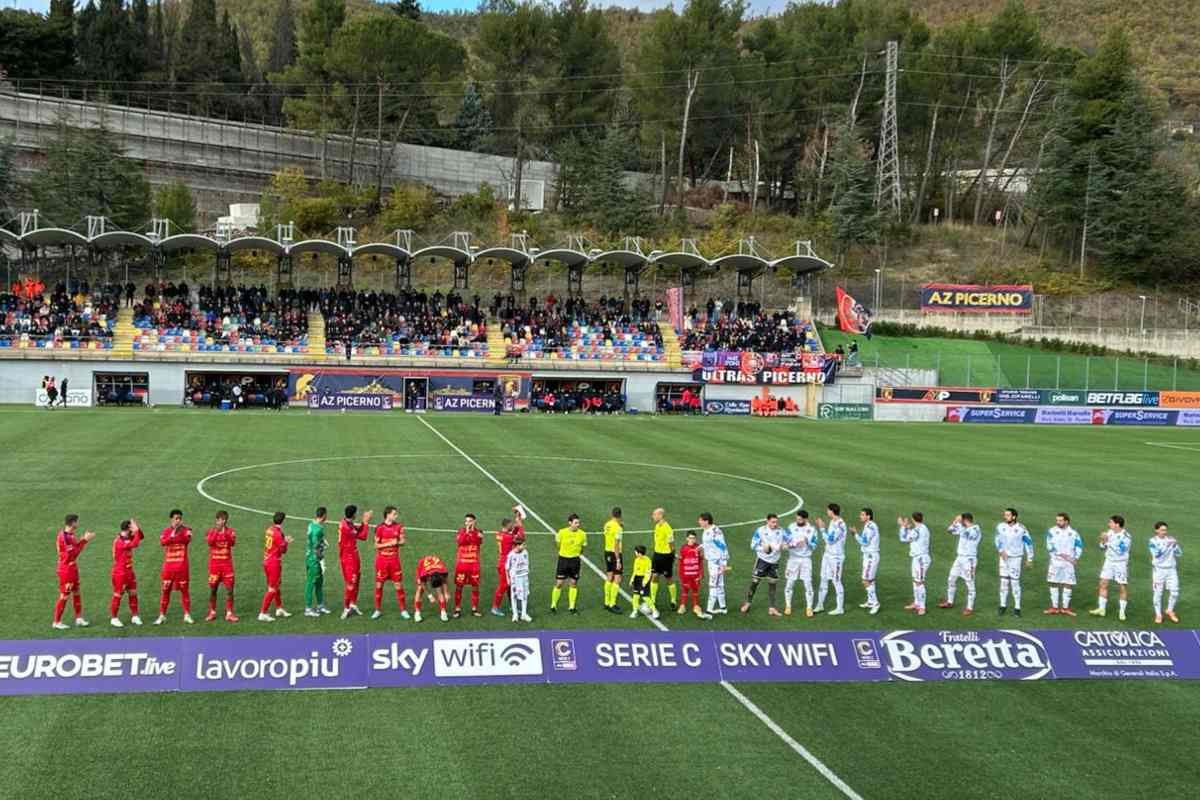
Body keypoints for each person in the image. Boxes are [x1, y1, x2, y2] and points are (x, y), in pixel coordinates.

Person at [53, 514, 96, 629]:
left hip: (72, 568)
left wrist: (83, 539)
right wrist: (85, 541)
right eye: (76, 522)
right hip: (66, 570)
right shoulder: (64, 537)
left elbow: (75, 548)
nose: (78, 524)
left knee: (76, 592)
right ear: (72, 523)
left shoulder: (69, 535)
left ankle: (78, 618)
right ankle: (56, 622)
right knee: (64, 596)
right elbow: (73, 554)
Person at [1090, 515, 1133, 621]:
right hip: (1108, 562)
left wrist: (1107, 542)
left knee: (1122, 586)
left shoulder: (1126, 536)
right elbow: (1102, 547)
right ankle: (1101, 609)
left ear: (1117, 524)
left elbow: (1120, 551)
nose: (1109, 524)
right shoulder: (1109, 532)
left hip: (1120, 563)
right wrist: (1103, 540)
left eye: (1111, 522)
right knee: (1103, 583)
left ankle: (1122, 612)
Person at [156, 509, 194, 625]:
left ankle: (187, 615)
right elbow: (163, 542)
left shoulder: (186, 531)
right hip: (169, 567)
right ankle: (162, 615)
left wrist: (179, 531)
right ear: (171, 519)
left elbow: (186, 540)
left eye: (180, 518)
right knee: (165, 590)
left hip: (182, 567)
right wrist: (173, 534)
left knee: (184, 591)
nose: (178, 520)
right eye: (176, 518)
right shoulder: (166, 531)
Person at [741, 513, 784, 615]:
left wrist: (786, 545)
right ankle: (748, 603)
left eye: (776, 522)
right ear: (767, 521)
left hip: (774, 562)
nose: (775, 524)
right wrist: (763, 549)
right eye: (773, 522)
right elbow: (753, 545)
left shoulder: (781, 531)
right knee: (755, 582)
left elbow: (789, 540)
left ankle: (772, 608)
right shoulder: (760, 531)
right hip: (762, 560)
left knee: (772, 584)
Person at [940, 513, 982, 615]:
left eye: (961, 520)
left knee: (970, 583)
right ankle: (950, 602)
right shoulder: (963, 527)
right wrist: (955, 522)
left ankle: (969, 608)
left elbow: (967, 534)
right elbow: (949, 530)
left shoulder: (975, 529)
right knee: (951, 578)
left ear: (965, 520)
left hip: (969, 560)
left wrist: (959, 524)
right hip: (959, 559)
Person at [371, 506, 409, 620]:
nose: (396, 516)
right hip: (382, 561)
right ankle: (377, 610)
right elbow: (376, 545)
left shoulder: (398, 527)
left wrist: (397, 541)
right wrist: (389, 544)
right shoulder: (380, 528)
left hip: (394, 561)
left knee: (398, 586)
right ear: (387, 514)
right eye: (394, 514)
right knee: (379, 585)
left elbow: (403, 541)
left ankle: (403, 610)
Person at [995, 507, 1034, 617]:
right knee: (1003, 582)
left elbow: (1028, 543)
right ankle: (1002, 605)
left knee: (1015, 583)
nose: (1005, 516)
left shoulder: (1022, 529)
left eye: (1007, 515)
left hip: (1016, 558)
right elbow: (997, 540)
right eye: (1004, 515)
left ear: (1014, 516)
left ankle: (1017, 608)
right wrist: (1001, 551)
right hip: (1003, 558)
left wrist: (1030, 558)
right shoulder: (1000, 526)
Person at [1044, 513, 1083, 617]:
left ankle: (1065, 608)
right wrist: (1056, 554)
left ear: (1066, 521)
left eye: (1060, 520)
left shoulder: (1074, 533)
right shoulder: (1051, 531)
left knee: (1068, 583)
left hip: (1068, 563)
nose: (1058, 522)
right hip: (1055, 561)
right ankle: (1054, 607)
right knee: (1053, 582)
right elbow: (1048, 545)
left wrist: (1075, 558)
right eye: (1057, 520)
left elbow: (1079, 546)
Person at [257, 512, 293, 622]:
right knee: (272, 588)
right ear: (283, 521)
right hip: (274, 563)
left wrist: (283, 540)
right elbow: (283, 551)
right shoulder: (278, 534)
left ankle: (279, 608)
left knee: (275, 586)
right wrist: (286, 542)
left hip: (267, 560)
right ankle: (263, 613)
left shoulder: (269, 530)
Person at [338, 505, 373, 619]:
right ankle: (346, 607)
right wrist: (366, 522)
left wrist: (363, 523)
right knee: (351, 584)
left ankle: (353, 604)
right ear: (353, 514)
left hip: (352, 556)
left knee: (356, 581)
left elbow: (358, 530)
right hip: (348, 559)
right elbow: (363, 536)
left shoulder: (347, 523)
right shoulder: (346, 527)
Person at [813, 504, 847, 615]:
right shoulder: (833, 521)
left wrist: (822, 528)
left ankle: (840, 608)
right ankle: (820, 605)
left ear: (832, 511)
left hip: (836, 557)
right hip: (827, 555)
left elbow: (830, 540)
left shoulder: (840, 525)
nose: (827, 511)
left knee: (836, 581)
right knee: (823, 578)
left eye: (828, 510)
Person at [205, 510, 238, 623]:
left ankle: (229, 613)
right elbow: (210, 542)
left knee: (230, 590)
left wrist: (224, 533)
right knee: (213, 590)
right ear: (216, 520)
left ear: (226, 520)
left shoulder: (231, 531)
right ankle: (212, 612)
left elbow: (232, 543)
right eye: (220, 519)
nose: (222, 521)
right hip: (214, 566)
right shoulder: (210, 531)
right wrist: (217, 532)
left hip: (227, 566)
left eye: (224, 519)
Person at [109, 519, 143, 627]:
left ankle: (135, 616)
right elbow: (135, 544)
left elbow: (141, 537)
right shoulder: (119, 541)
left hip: (129, 571)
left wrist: (138, 529)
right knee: (118, 595)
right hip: (120, 573)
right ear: (128, 528)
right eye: (131, 527)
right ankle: (114, 618)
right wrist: (136, 531)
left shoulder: (127, 537)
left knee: (133, 593)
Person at [783, 510, 818, 617]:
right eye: (797, 518)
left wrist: (807, 542)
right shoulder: (791, 527)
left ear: (806, 519)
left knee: (807, 583)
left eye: (800, 519)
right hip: (793, 559)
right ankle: (788, 606)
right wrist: (791, 544)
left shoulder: (812, 530)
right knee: (790, 582)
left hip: (806, 559)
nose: (797, 521)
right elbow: (785, 542)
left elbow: (814, 545)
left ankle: (809, 608)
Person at [551, 513, 586, 614]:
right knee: (559, 583)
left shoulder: (583, 534)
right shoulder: (561, 532)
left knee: (573, 583)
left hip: (575, 561)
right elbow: (558, 545)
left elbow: (583, 548)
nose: (578, 524)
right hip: (563, 560)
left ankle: (572, 607)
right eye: (575, 523)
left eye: (578, 522)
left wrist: (575, 554)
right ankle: (553, 605)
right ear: (570, 523)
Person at [898, 512, 932, 615]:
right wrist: (907, 528)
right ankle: (917, 603)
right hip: (917, 558)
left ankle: (922, 607)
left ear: (913, 519)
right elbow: (913, 535)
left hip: (921, 559)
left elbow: (903, 539)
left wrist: (902, 526)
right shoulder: (923, 527)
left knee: (919, 582)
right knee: (915, 581)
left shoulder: (917, 530)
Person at [1148, 522, 1182, 624]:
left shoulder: (1170, 540)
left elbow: (1179, 553)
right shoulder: (1152, 541)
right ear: (1156, 530)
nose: (1164, 532)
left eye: (1165, 530)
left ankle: (1169, 610)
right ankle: (1158, 614)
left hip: (1171, 570)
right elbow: (1158, 555)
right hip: (1159, 570)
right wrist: (1168, 546)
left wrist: (1175, 546)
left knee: (1175, 592)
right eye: (1162, 530)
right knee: (1158, 593)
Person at [454, 513, 483, 618]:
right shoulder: (461, 531)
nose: (468, 523)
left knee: (475, 587)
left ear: (474, 521)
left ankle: (474, 609)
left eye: (470, 521)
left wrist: (471, 532)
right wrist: (466, 532)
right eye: (466, 521)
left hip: (474, 565)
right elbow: (460, 542)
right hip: (462, 564)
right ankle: (457, 609)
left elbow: (477, 541)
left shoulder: (479, 532)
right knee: (459, 586)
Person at [698, 512, 728, 615]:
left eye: (701, 520)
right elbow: (709, 543)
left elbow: (723, 547)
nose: (699, 522)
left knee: (713, 585)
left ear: (706, 521)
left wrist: (723, 564)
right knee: (719, 585)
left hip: (717, 562)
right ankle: (723, 608)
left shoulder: (715, 532)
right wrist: (701, 546)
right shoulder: (707, 530)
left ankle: (709, 611)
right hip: (712, 561)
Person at [853, 508, 881, 614]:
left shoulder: (870, 526)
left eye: (862, 514)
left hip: (871, 556)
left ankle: (875, 603)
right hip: (868, 555)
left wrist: (855, 534)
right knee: (871, 580)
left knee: (865, 580)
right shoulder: (868, 525)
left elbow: (865, 542)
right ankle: (870, 601)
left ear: (868, 516)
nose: (860, 516)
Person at [649, 507, 677, 613]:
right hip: (657, 555)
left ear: (660, 515)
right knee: (654, 576)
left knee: (668, 578)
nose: (653, 516)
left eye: (654, 514)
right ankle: (653, 600)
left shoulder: (667, 528)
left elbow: (672, 544)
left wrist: (672, 555)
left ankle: (673, 600)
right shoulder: (657, 526)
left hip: (666, 556)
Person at [304, 507, 330, 618]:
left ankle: (320, 605)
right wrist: (322, 561)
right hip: (314, 560)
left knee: (319, 582)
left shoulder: (311, 524)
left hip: (310, 557)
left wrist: (322, 542)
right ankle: (308, 609)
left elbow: (312, 540)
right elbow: (316, 547)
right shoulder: (319, 529)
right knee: (311, 583)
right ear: (323, 515)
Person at [677, 531, 709, 618]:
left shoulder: (699, 548)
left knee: (695, 590)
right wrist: (680, 573)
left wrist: (701, 573)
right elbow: (681, 562)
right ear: (687, 538)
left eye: (694, 538)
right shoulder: (683, 548)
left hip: (695, 574)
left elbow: (701, 561)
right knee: (685, 590)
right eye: (690, 538)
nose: (692, 540)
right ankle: (682, 605)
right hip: (686, 574)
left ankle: (695, 606)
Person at [490, 517, 517, 617]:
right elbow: (521, 539)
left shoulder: (499, 534)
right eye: (512, 524)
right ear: (507, 525)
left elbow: (512, 533)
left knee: (510, 585)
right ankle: (495, 607)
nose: (513, 525)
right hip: (506, 564)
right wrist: (520, 526)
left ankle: (512, 605)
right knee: (503, 586)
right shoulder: (508, 537)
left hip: (503, 561)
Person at [414, 554, 450, 623]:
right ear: (429, 578)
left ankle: (443, 611)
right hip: (422, 568)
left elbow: (445, 581)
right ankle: (417, 612)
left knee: (439, 590)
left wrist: (446, 593)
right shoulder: (423, 574)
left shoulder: (443, 572)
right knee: (420, 589)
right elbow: (423, 583)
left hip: (435, 568)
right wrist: (430, 596)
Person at [505, 534, 532, 623]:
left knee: (524, 595)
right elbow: (507, 568)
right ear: (517, 545)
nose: (525, 546)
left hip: (524, 577)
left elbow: (527, 563)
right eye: (523, 545)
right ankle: (515, 614)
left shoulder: (525, 552)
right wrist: (508, 579)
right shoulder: (511, 555)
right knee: (514, 596)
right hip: (515, 579)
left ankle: (524, 614)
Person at [602, 507, 624, 614]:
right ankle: (612, 603)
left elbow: (607, 534)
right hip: (615, 553)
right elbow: (616, 544)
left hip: (607, 552)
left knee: (609, 576)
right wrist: (618, 559)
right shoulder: (618, 528)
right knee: (617, 578)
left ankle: (606, 602)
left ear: (612, 514)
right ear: (620, 515)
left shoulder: (607, 524)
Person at [629, 545, 657, 619]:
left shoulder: (647, 560)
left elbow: (648, 573)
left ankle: (654, 611)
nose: (635, 553)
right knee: (635, 596)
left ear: (640, 553)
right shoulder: (636, 560)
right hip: (637, 579)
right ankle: (635, 611)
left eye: (636, 552)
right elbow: (635, 571)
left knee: (645, 597)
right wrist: (632, 580)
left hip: (644, 579)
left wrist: (644, 582)